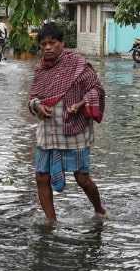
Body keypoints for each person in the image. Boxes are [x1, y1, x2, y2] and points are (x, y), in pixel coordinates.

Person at [28, 22, 106, 222]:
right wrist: (38, 106)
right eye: (43, 44)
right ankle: (51, 222)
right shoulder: (40, 70)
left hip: (74, 129)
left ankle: (99, 211)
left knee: (82, 179)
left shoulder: (78, 65)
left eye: (52, 43)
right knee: (41, 177)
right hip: (48, 129)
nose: (47, 48)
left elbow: (96, 90)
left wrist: (81, 104)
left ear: (62, 43)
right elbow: (33, 98)